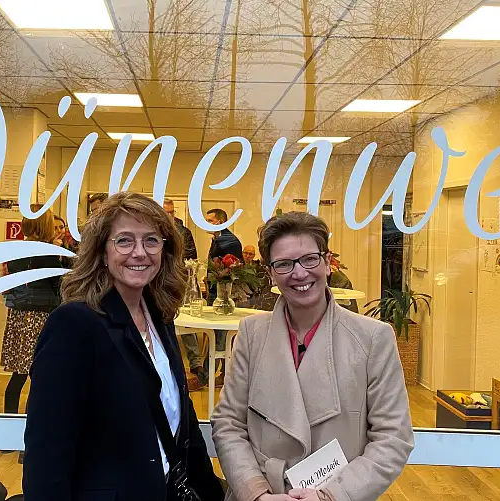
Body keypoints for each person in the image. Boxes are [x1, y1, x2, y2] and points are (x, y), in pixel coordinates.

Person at [23, 192, 223, 501]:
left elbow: (183, 420)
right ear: (102, 251)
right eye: (124, 241)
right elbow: (47, 449)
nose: (139, 253)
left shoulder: (159, 316)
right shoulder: (75, 324)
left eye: (151, 240)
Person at [211, 212, 414, 501]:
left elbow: (393, 437)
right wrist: (256, 492)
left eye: (309, 259)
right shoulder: (251, 334)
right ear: (270, 273)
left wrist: (331, 496)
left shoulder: (373, 338)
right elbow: (229, 423)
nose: (299, 273)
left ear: (327, 262)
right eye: (284, 264)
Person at [0, 209, 63, 464]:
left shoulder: (15, 251)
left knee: (18, 377)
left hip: (19, 316)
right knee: (39, 381)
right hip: (41, 317)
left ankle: (7, 436)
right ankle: (28, 443)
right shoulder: (49, 253)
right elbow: (59, 287)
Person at [185, 207, 243, 391]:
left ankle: (204, 378)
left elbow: (233, 271)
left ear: (220, 222)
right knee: (219, 337)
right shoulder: (219, 239)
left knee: (218, 337)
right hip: (216, 293)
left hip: (224, 295)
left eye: (209, 220)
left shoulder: (228, 241)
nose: (206, 223)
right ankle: (222, 376)